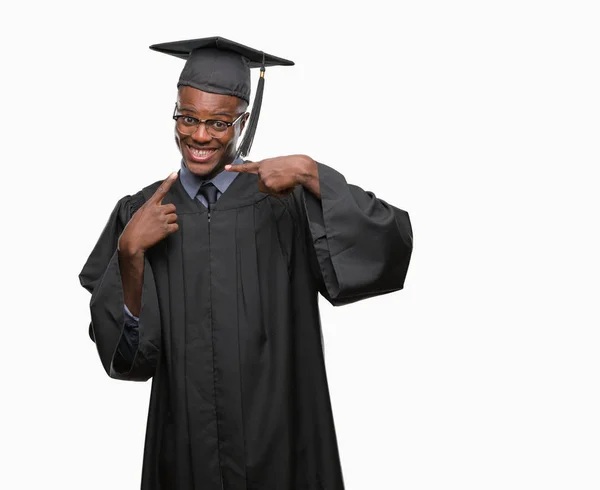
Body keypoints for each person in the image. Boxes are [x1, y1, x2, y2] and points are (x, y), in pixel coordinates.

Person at [79, 36, 413, 490]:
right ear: (174, 113)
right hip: (186, 452)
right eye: (188, 117)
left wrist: (312, 174)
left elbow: (389, 247)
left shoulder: (288, 201)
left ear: (244, 120)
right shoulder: (141, 214)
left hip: (282, 444)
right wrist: (130, 254)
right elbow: (129, 363)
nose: (199, 135)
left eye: (219, 122)